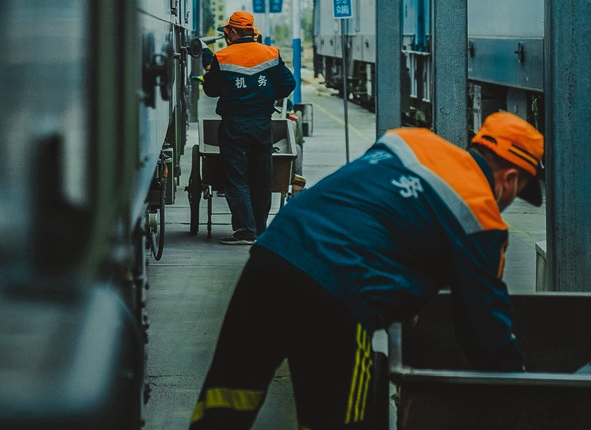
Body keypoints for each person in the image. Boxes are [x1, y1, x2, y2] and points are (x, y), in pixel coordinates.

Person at [189, 111, 544, 429]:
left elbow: (377, 211)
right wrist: (520, 388)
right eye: (520, 190)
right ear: (510, 179)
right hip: (337, 293)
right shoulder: (482, 216)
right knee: (337, 420)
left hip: (274, 254)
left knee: (228, 394)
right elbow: (482, 328)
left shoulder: (411, 140)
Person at [201, 10, 295, 245]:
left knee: (237, 176)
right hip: (262, 124)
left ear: (232, 31)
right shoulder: (270, 53)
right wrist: (266, 95)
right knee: (261, 176)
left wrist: (215, 74)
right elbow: (287, 85)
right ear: (251, 30)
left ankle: (245, 230)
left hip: (234, 124)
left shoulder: (222, 56)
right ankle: (260, 229)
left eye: (227, 32)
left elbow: (211, 90)